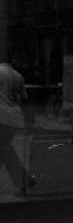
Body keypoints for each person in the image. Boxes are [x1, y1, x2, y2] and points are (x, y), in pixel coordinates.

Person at [0, 60, 34, 195]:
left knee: (4, 150)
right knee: (4, 149)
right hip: (13, 118)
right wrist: (29, 120)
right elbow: (24, 98)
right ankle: (24, 182)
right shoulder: (18, 76)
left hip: (1, 116)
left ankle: (24, 181)